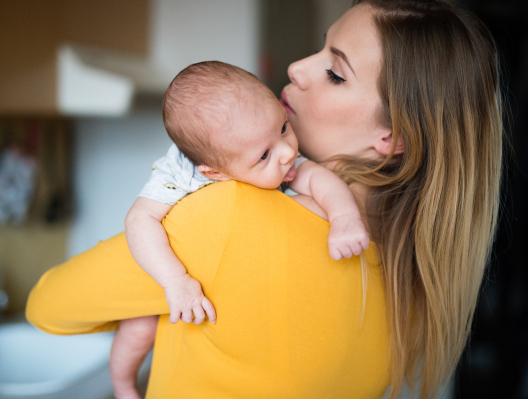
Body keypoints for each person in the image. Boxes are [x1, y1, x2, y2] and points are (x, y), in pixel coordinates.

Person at [26, 0, 503, 398]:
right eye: (320, 51)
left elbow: (47, 306)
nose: (297, 66)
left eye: (335, 73)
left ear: (393, 136)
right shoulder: (414, 288)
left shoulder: (232, 215)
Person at [112, 61, 371, 399]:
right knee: (139, 327)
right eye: (264, 155)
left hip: (229, 284)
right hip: (170, 274)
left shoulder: (274, 152)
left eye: (283, 128)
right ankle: (123, 384)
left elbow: (320, 180)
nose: (287, 153)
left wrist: (345, 219)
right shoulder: (178, 175)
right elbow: (139, 220)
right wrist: (175, 280)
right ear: (215, 172)